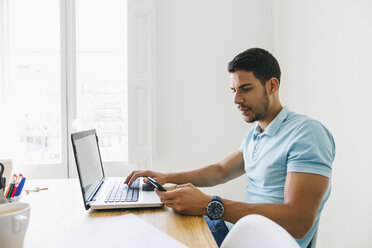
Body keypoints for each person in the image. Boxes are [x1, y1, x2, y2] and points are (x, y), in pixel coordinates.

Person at [124, 48, 335, 248]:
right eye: (234, 90)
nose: (237, 99)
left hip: (258, 242)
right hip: (233, 232)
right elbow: (220, 171)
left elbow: (298, 221)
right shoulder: (256, 134)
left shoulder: (307, 134)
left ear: (272, 85)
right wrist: (166, 177)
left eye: (245, 89)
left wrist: (210, 204)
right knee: (150, 230)